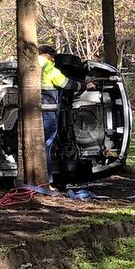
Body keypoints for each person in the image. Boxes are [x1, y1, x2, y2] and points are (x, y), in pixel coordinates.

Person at [38, 45, 94, 187]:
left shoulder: (30, 67)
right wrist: (85, 86)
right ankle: (47, 180)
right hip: (48, 110)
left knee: (41, 145)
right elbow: (66, 83)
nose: (54, 60)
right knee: (47, 145)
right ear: (45, 55)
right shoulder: (48, 68)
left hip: (37, 111)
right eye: (52, 57)